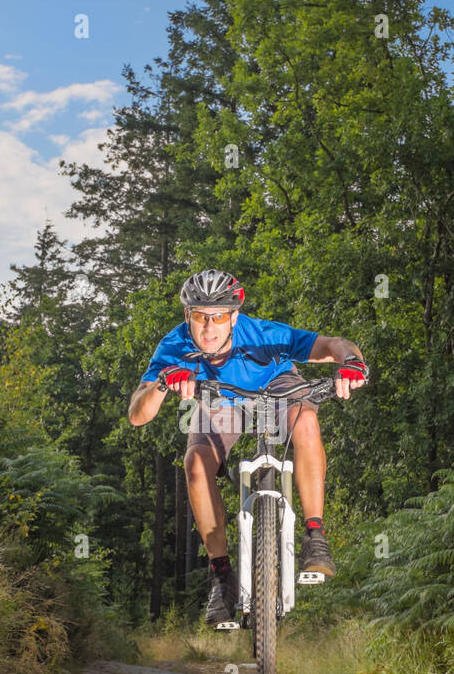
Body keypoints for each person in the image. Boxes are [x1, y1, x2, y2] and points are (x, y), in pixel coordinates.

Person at [127, 268, 368, 626]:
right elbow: (137, 414)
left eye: (219, 317)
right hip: (221, 402)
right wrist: (163, 383)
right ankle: (222, 577)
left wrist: (353, 363)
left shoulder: (264, 334)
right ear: (187, 316)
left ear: (233, 317)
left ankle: (315, 535)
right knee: (195, 463)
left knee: (306, 421)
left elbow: (332, 345)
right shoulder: (175, 345)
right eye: (199, 318)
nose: (209, 329)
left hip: (278, 388)